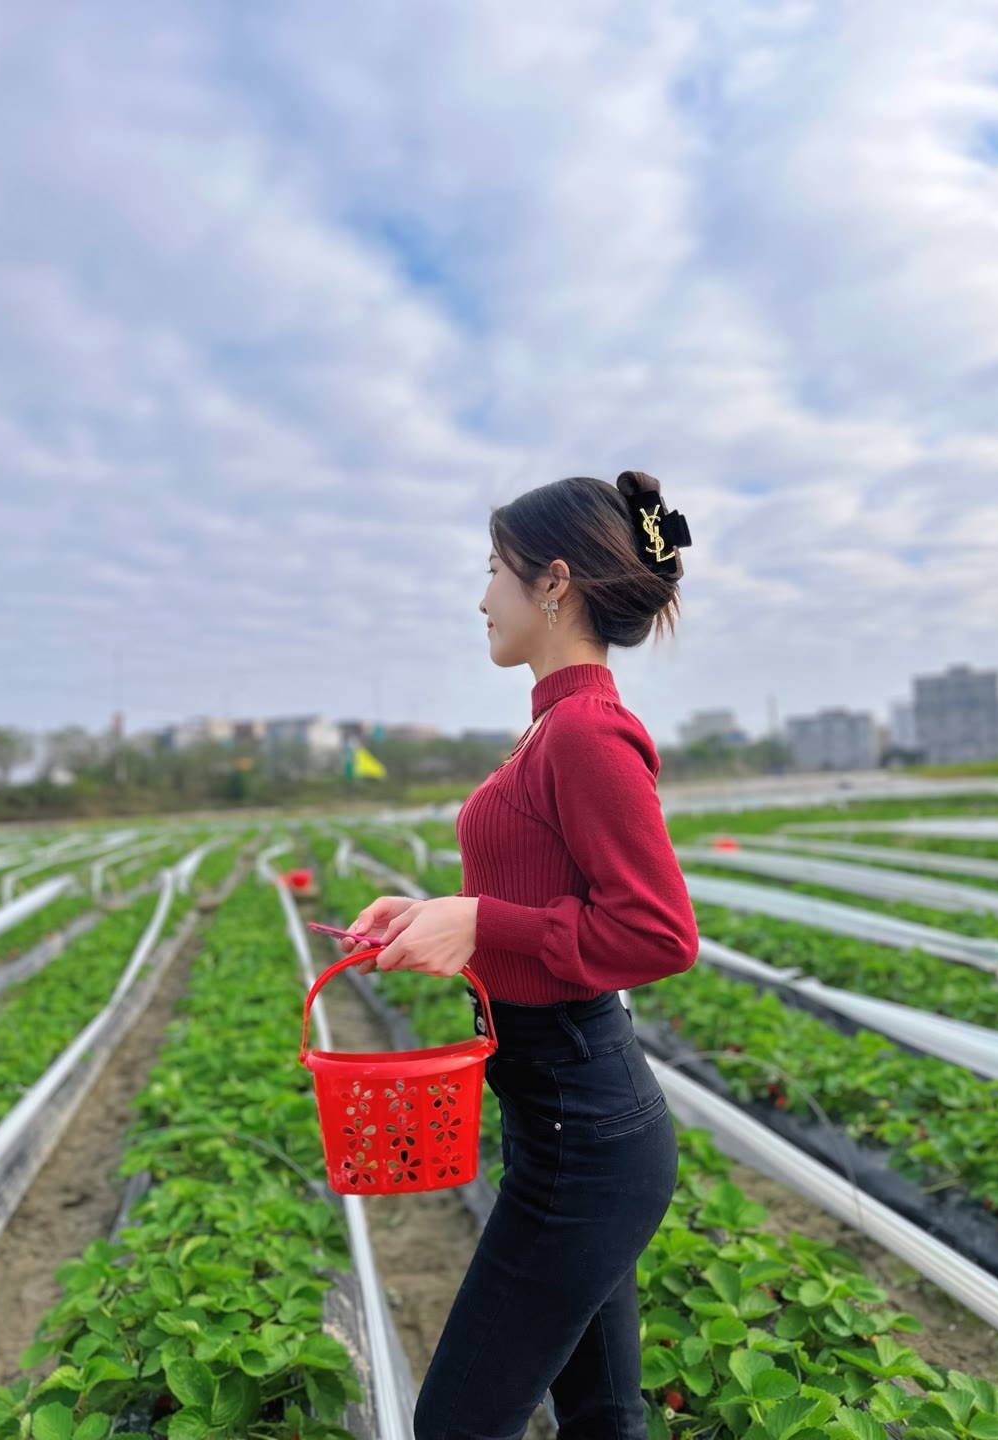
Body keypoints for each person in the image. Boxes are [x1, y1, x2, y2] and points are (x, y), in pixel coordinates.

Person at [339, 472, 699, 1440]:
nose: (481, 595)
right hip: (560, 1116)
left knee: (455, 1422)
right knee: (603, 1416)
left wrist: (482, 924)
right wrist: (434, 915)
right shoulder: (550, 729)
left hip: (587, 1132)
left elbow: (662, 931)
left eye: (493, 569)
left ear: (554, 584)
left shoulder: (585, 735)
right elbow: (538, 897)